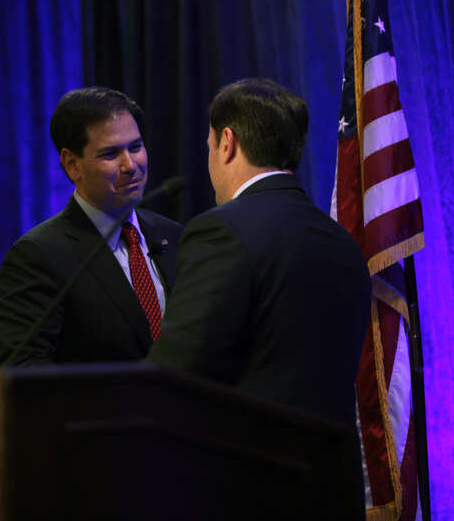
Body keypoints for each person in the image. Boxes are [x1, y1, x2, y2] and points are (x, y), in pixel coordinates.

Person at [148, 78, 371, 429]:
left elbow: (175, 374)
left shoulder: (220, 232)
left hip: (250, 473)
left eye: (208, 147)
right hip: (329, 476)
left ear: (226, 143)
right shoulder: (342, 241)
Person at [0, 86, 182, 366]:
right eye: (111, 154)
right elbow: (20, 369)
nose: (130, 165)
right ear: (72, 164)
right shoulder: (40, 255)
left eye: (136, 147)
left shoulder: (173, 236)